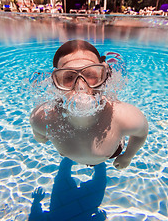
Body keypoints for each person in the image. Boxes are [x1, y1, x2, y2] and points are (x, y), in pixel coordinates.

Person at [30, 40, 148, 168]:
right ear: (56, 82)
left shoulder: (125, 117)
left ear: (103, 76)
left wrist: (127, 156)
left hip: (114, 151)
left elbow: (141, 134)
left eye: (91, 74)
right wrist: (40, 135)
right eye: (69, 77)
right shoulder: (42, 118)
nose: (81, 87)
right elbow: (39, 135)